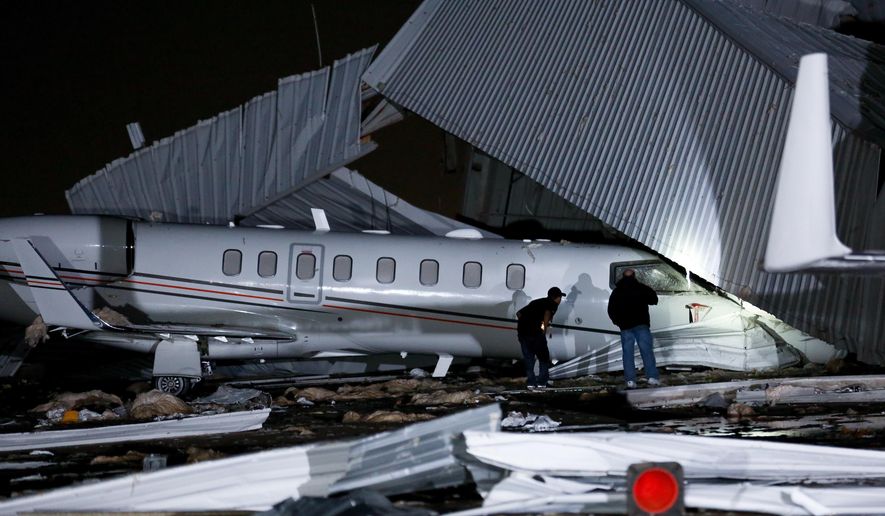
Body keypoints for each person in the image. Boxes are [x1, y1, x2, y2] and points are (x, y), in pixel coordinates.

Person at [607, 269, 660, 389]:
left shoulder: (617, 291)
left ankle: (630, 380)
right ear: (635, 276)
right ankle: (652, 377)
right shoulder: (641, 287)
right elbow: (654, 300)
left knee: (627, 354)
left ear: (622, 277)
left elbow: (611, 310)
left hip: (625, 327)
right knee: (646, 351)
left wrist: (618, 322)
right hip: (641, 325)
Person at [516, 287, 565, 390]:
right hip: (536, 334)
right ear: (555, 298)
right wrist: (543, 330)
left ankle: (531, 383)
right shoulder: (552, 304)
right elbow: (546, 316)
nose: (560, 300)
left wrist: (526, 324)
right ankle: (542, 383)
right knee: (543, 358)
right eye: (560, 297)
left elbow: (519, 314)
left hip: (523, 333)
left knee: (529, 358)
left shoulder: (536, 302)